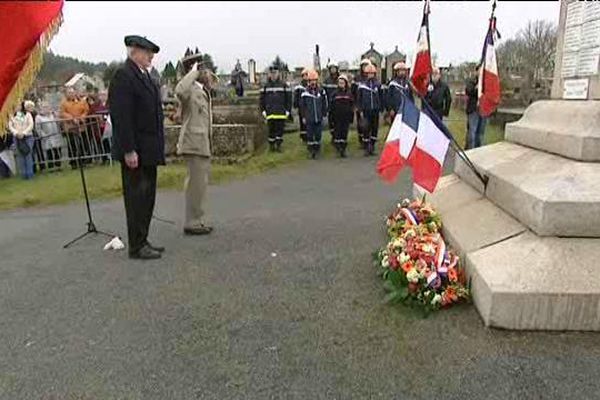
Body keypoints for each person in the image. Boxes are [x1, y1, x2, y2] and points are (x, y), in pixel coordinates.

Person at [108, 34, 165, 260]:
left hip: (149, 150)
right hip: (136, 151)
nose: (151, 56)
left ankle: (143, 239)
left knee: (147, 197)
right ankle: (136, 246)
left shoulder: (145, 76)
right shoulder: (124, 75)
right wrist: (129, 149)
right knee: (136, 198)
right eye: (147, 52)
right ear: (134, 52)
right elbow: (121, 116)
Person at [175, 55, 215, 236]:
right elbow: (179, 90)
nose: (207, 74)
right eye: (203, 70)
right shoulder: (189, 89)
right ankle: (192, 222)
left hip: (201, 143)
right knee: (195, 184)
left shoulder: (201, 90)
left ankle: (197, 219)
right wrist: (192, 73)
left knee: (200, 185)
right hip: (193, 142)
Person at [259, 66, 292, 152]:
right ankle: (271, 146)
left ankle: (279, 145)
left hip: (280, 112)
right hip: (270, 112)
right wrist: (263, 110)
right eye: (272, 73)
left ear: (278, 74)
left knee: (279, 130)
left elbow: (289, 99)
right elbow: (261, 99)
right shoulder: (265, 86)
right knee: (271, 131)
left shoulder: (284, 85)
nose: (273, 75)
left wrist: (288, 110)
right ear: (269, 74)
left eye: (275, 73)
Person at [299, 69, 328, 159]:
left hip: (318, 117)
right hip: (309, 118)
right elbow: (302, 106)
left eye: (314, 80)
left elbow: (324, 103)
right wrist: (303, 116)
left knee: (318, 134)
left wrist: (324, 114)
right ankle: (311, 151)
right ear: (308, 81)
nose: (313, 82)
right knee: (310, 135)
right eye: (311, 80)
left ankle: (317, 149)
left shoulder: (321, 91)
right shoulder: (305, 93)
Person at [356, 63, 383, 156]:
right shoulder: (362, 85)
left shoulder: (378, 84)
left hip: (375, 110)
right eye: (368, 73)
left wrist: (381, 108)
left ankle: (372, 146)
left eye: (372, 73)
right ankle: (366, 147)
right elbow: (359, 98)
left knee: (375, 128)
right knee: (366, 129)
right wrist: (359, 109)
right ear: (365, 74)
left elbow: (381, 97)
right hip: (366, 110)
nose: (370, 75)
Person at [59, 87, 89, 168]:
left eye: (72, 92)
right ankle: (73, 162)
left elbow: (86, 110)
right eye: (69, 92)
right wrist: (72, 118)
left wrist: (82, 118)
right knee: (72, 145)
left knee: (82, 143)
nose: (71, 94)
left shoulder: (82, 101)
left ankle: (83, 161)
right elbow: (62, 113)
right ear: (66, 94)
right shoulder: (63, 103)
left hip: (81, 126)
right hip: (70, 127)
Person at [8, 101, 35, 179]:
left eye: (19, 105)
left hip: (27, 137)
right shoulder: (12, 116)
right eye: (16, 105)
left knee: (28, 154)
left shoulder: (27, 114)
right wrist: (16, 133)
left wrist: (24, 133)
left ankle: (30, 174)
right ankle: (23, 175)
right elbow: (11, 126)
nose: (17, 106)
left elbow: (31, 124)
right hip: (17, 137)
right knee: (20, 155)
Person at [330, 74, 354, 158]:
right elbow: (331, 107)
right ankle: (338, 148)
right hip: (337, 117)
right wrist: (331, 118)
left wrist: (351, 117)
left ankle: (343, 149)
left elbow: (351, 106)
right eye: (340, 83)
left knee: (344, 133)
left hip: (346, 118)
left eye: (343, 83)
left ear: (346, 83)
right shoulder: (334, 94)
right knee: (338, 133)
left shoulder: (349, 94)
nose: (341, 84)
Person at [35, 102, 64, 170]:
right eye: (44, 107)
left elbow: (59, 122)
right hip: (47, 137)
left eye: (47, 107)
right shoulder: (38, 117)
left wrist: (56, 116)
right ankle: (51, 167)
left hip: (56, 135)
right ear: (41, 108)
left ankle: (58, 166)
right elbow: (38, 128)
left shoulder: (53, 114)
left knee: (57, 151)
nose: (46, 108)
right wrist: (43, 135)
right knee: (49, 153)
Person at [352, 58, 373, 149]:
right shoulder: (357, 78)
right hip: (359, 104)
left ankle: (369, 141)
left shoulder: (371, 77)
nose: (365, 68)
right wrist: (355, 105)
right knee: (361, 124)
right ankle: (361, 140)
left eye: (366, 65)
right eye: (363, 66)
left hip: (368, 105)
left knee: (369, 124)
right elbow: (353, 92)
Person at [465, 64, 487, 149]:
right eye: (479, 70)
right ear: (476, 71)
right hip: (473, 110)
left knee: (480, 133)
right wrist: (476, 88)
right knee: (472, 132)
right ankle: (471, 151)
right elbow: (468, 91)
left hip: (483, 110)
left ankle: (479, 150)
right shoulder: (471, 81)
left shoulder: (487, 82)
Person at [89, 90, 111, 163]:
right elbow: (90, 114)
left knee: (109, 142)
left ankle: (111, 156)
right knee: (100, 143)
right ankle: (104, 158)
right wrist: (96, 117)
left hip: (109, 127)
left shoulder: (111, 103)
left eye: (104, 94)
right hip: (99, 128)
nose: (103, 96)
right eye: (101, 95)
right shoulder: (95, 105)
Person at [323, 63, 340, 143]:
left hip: (339, 105)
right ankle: (333, 136)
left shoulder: (340, 79)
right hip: (330, 105)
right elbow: (324, 93)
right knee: (331, 122)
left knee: (338, 122)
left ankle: (338, 137)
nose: (333, 70)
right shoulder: (326, 81)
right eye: (331, 68)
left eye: (334, 68)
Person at [293, 68, 309, 143]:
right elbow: (296, 97)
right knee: (302, 122)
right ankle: (303, 137)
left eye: (307, 75)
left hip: (309, 107)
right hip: (301, 107)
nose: (306, 77)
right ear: (302, 76)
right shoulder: (299, 87)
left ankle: (308, 135)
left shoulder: (310, 86)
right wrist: (295, 105)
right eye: (304, 75)